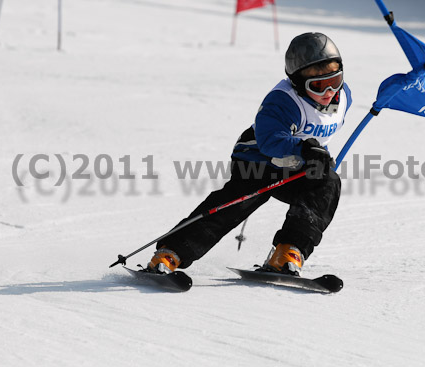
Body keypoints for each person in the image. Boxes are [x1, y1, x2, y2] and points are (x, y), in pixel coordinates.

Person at [146, 32, 353, 276]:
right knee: (235, 203)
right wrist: (306, 150)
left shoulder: (343, 97)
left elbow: (320, 136)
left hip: (295, 163)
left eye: (335, 79)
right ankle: (171, 252)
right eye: (317, 85)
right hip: (256, 161)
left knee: (327, 184)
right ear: (298, 81)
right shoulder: (283, 101)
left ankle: (288, 252)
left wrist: (317, 157)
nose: (329, 90)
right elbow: (269, 141)